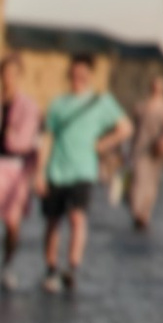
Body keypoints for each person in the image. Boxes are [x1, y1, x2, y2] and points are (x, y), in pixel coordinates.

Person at [40, 56, 130, 293]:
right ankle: (50, 267)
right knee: (52, 221)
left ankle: (72, 268)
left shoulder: (102, 101)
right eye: (74, 74)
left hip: (84, 170)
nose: (78, 79)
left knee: (77, 218)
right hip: (57, 169)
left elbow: (125, 127)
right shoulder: (58, 104)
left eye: (83, 75)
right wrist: (40, 171)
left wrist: (104, 144)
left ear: (90, 76)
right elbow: (48, 138)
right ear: (69, 75)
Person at [0, 55, 44, 291]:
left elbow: (28, 141)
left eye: (12, 73)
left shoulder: (28, 105)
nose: (8, 78)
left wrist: (11, 136)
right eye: (5, 73)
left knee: (12, 222)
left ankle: (7, 264)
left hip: (15, 168)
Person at [125, 74, 163, 235]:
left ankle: (145, 213)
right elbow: (132, 128)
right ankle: (137, 211)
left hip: (156, 149)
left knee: (151, 183)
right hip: (140, 147)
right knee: (138, 180)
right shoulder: (141, 106)